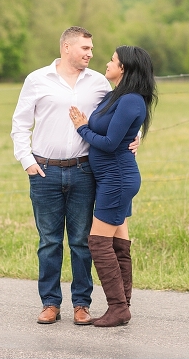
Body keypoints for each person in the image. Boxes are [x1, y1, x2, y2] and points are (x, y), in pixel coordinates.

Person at [10, 26, 139, 326]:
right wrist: (27, 161)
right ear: (67, 47)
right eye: (85, 48)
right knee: (49, 241)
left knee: (82, 241)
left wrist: (138, 136)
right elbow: (20, 124)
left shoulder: (99, 83)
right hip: (45, 170)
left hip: (84, 170)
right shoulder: (37, 79)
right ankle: (50, 303)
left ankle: (82, 303)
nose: (91, 54)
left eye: (92, 49)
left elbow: (124, 111)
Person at [69, 45, 157, 327]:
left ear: (125, 69)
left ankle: (118, 307)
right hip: (111, 178)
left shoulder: (131, 100)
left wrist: (82, 127)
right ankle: (123, 305)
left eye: (113, 60)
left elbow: (109, 143)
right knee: (119, 244)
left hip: (117, 178)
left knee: (97, 242)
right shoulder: (114, 96)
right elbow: (122, 132)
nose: (107, 63)